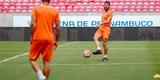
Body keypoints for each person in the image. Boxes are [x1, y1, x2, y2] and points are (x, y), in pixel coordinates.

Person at [29, 0, 60, 80]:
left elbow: (32, 24)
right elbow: (58, 28)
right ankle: (44, 78)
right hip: (49, 38)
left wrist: (32, 36)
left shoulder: (36, 9)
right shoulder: (55, 11)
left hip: (37, 37)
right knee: (46, 61)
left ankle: (40, 75)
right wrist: (56, 41)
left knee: (32, 59)